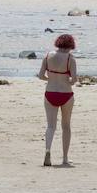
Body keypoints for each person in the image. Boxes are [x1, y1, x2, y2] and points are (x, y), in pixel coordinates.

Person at [37, 33, 78, 168]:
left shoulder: (48, 56)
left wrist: (52, 79)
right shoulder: (70, 59)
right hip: (66, 94)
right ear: (71, 45)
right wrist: (66, 80)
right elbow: (74, 80)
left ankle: (47, 150)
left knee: (50, 126)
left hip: (50, 93)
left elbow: (41, 76)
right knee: (66, 126)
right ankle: (65, 158)